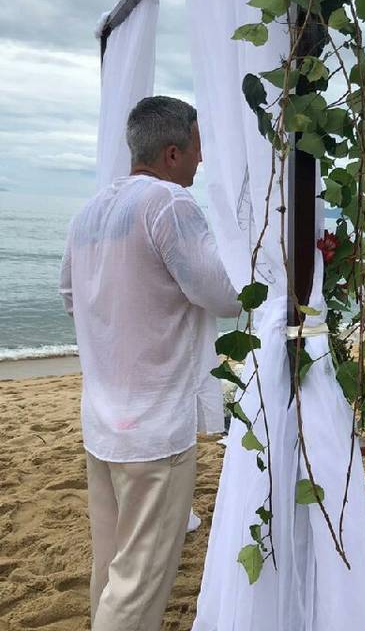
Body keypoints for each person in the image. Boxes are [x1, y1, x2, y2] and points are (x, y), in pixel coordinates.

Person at [59, 96, 240, 631]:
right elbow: (225, 294)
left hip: (103, 422)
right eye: (198, 148)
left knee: (111, 566)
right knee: (138, 581)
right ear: (172, 153)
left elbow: (70, 294)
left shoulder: (89, 211)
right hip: (155, 429)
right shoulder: (168, 204)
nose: (202, 161)